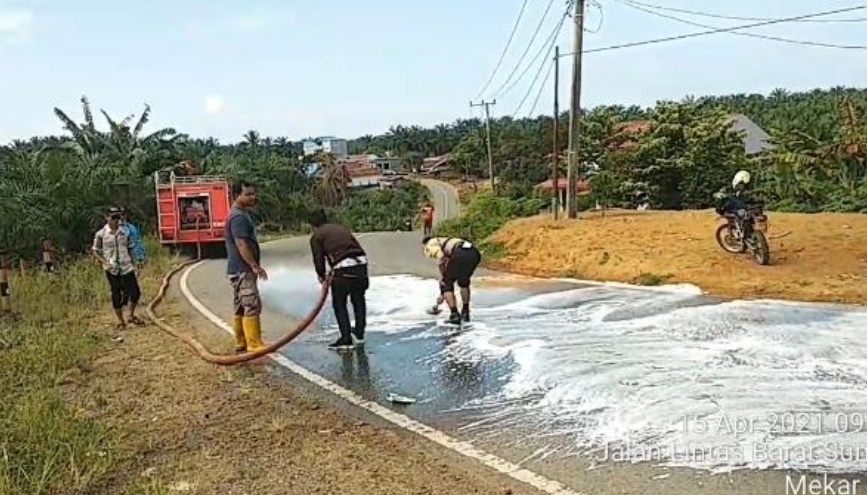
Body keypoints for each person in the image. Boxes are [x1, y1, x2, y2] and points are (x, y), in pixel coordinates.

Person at [308, 208, 369, 351]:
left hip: (343, 268)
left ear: (311, 225)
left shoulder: (317, 236)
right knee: (358, 299)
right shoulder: (340, 228)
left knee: (339, 302)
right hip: (361, 265)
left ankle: (346, 339)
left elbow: (319, 260)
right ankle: (359, 333)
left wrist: (322, 276)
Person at [226, 180, 268, 354]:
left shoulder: (239, 214)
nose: (253, 197)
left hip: (237, 269)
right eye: (248, 194)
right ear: (237, 195)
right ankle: (254, 343)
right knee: (251, 304)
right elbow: (241, 244)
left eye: (253, 193)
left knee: (241, 305)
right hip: (243, 269)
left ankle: (241, 341)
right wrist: (254, 266)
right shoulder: (238, 217)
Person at [92, 207, 144, 329]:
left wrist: (135, 264)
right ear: (107, 218)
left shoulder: (124, 233)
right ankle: (120, 321)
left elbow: (130, 248)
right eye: (113, 217)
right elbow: (95, 251)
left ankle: (131, 315)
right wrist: (104, 263)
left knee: (135, 292)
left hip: (126, 266)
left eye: (118, 217)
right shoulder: (101, 234)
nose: (116, 220)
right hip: (112, 269)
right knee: (116, 295)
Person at [422, 235, 481, 325]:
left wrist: (443, 276)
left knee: (445, 284)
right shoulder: (449, 240)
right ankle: (465, 312)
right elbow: (450, 262)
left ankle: (454, 315)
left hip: (460, 254)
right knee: (463, 281)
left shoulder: (430, 243)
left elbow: (441, 257)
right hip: (474, 254)